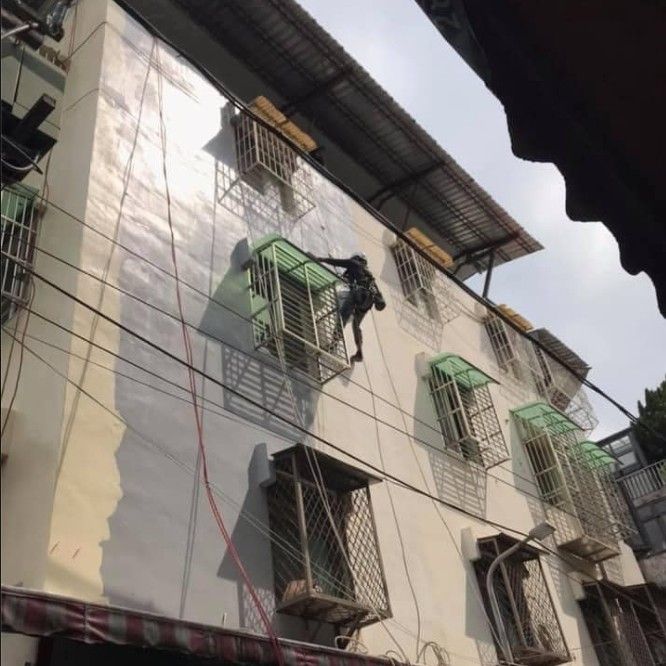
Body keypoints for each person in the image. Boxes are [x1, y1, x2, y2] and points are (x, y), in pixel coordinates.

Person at [309, 252, 385, 363]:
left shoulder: (354, 263)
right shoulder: (369, 276)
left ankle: (333, 344)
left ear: (356, 258)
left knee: (343, 317)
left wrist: (319, 258)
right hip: (368, 301)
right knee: (356, 325)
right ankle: (359, 351)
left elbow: (337, 262)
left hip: (358, 293)